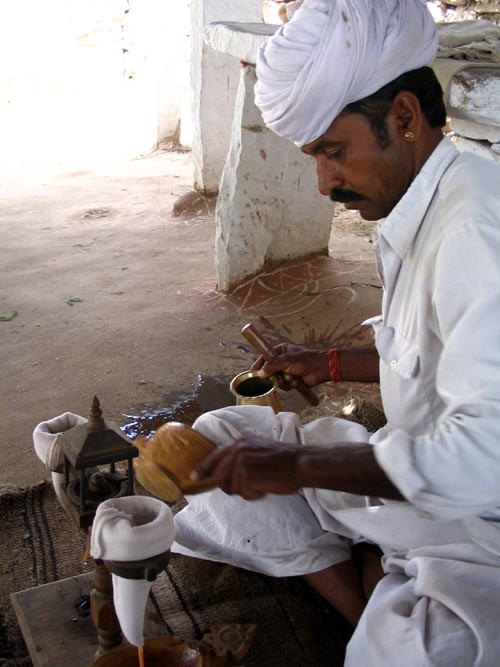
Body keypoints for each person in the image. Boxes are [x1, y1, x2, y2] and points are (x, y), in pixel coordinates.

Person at [172, 1, 500, 664]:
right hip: (406, 473)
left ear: (404, 118)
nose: (324, 181)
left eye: (333, 152)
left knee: (412, 655)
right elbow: (427, 352)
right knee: (215, 447)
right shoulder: (419, 203)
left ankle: (389, 603)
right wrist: (329, 362)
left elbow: (483, 458)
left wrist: (300, 465)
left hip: (479, 525)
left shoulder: (474, 229)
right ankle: (368, 600)